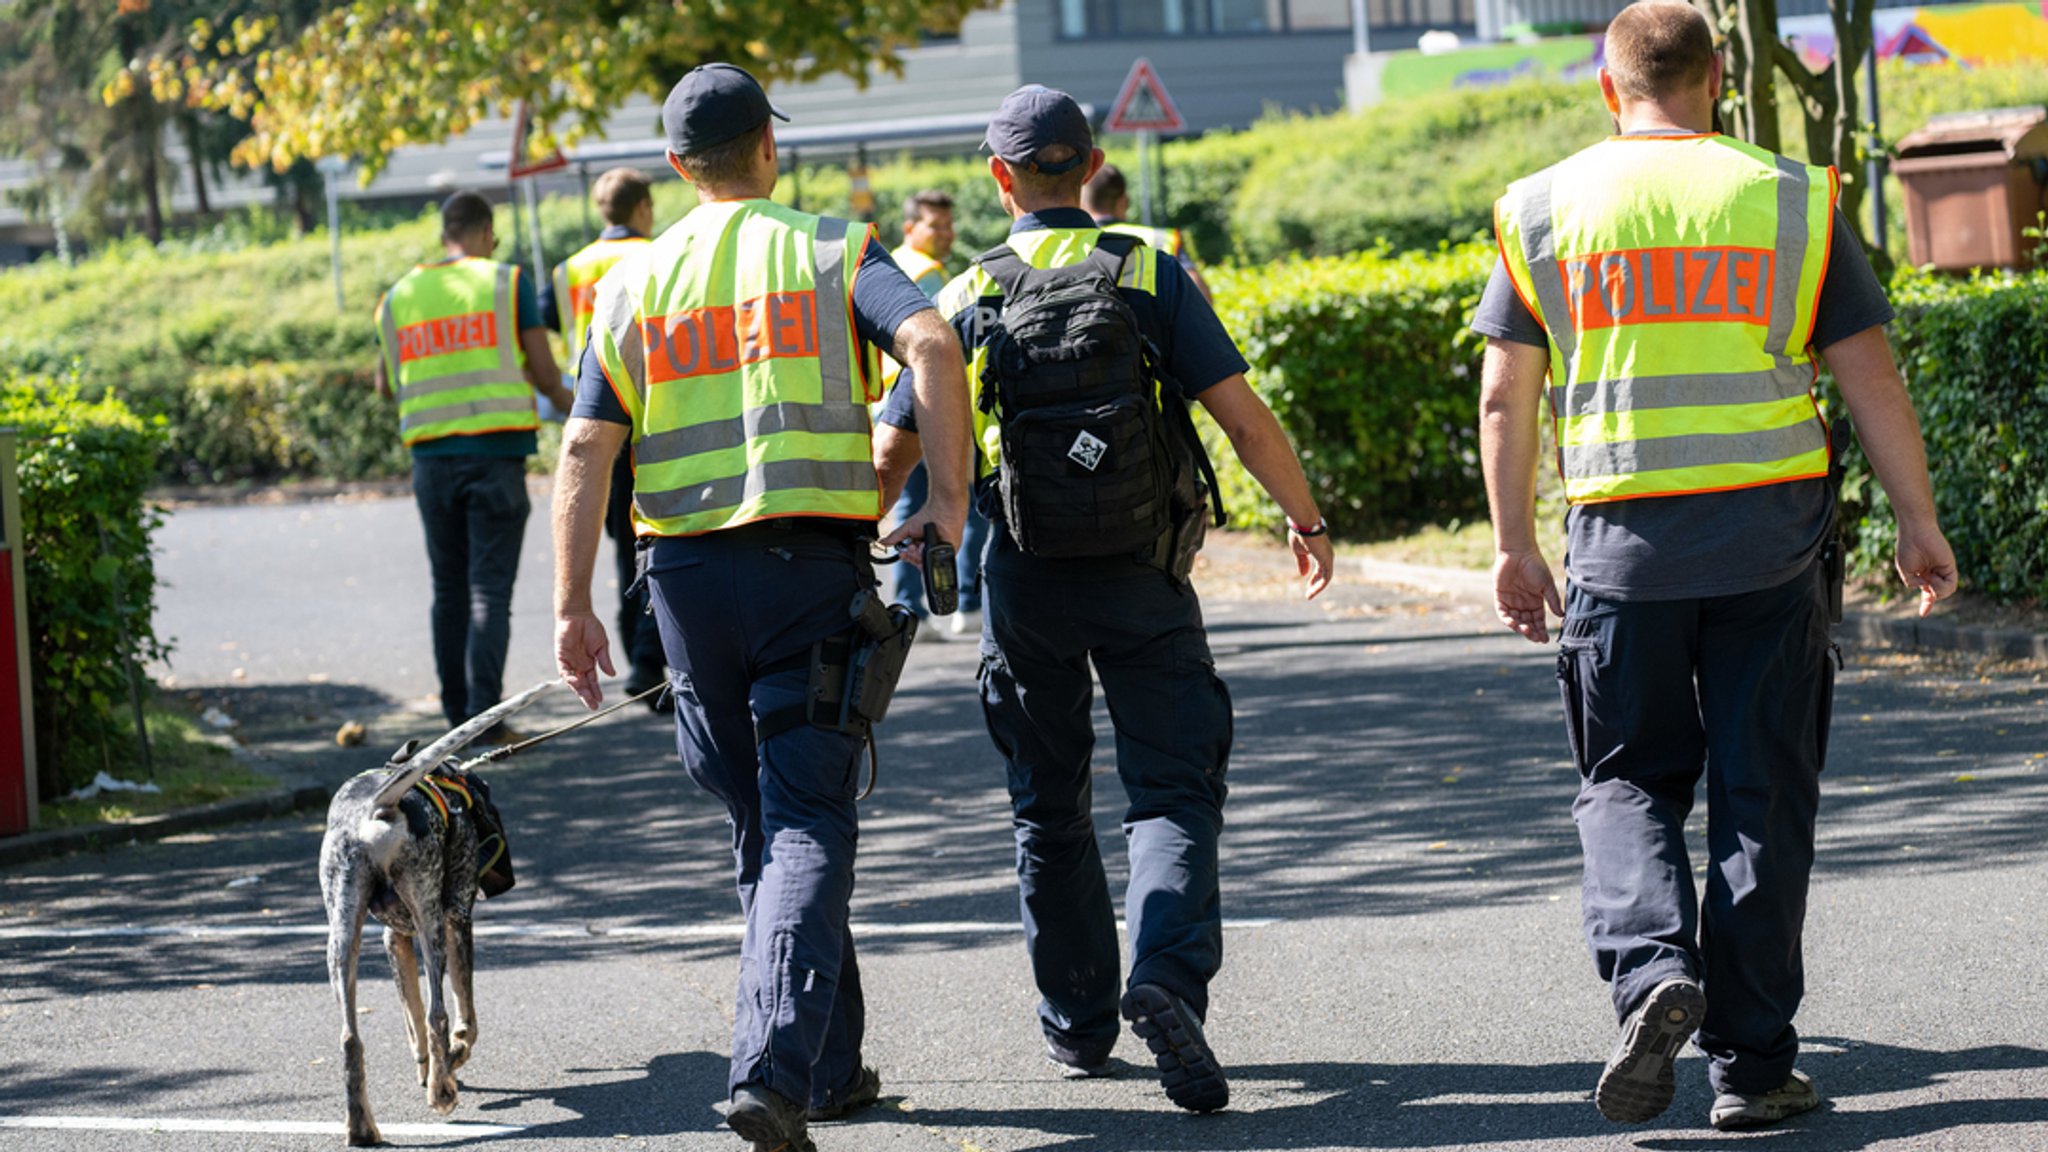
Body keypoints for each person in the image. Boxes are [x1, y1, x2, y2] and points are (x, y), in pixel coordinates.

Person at [1475, 1, 1958, 1132]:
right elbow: (1868, 377)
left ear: (1609, 88)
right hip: (1768, 549)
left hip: (1618, 552)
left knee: (1626, 779)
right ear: (1719, 78)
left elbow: (1505, 390)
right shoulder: (1790, 199)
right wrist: (1916, 519)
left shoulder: (1541, 207)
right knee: (1760, 795)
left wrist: (1511, 543)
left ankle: (1652, 978)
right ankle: (1749, 1067)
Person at [873, 84, 1334, 1113]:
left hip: (1022, 577)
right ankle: (1164, 978)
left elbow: (890, 449)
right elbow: (1243, 419)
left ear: (999, 180)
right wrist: (1303, 520)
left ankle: (1077, 1025)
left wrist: (846, 547)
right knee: (1171, 789)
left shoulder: (957, 297)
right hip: (1143, 569)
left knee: (1047, 807)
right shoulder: (1145, 270)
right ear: (1089, 164)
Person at [548, 63, 973, 1152]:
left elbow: (586, 445)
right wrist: (947, 508)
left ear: (681, 168)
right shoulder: (830, 246)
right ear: (768, 148)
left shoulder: (630, 284)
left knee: (764, 818)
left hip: (683, 588)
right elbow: (929, 343)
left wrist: (571, 606)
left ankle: (827, 1070)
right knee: (807, 817)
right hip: (801, 574)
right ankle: (773, 1071)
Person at [373, 191, 573, 740]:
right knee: (489, 591)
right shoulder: (505, 284)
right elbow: (547, 376)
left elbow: (385, 384)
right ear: (486, 232)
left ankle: (453, 718)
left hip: (431, 462)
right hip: (495, 459)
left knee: (449, 589)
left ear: (446, 233)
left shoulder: (397, 297)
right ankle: (483, 719)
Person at [546, 167, 669, 708]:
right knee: (654, 533)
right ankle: (649, 653)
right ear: (642, 207)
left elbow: (558, 327)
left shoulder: (568, 267)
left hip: (592, 413)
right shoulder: (662, 252)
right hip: (651, 413)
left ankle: (634, 647)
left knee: (620, 541)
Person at [1081, 162, 1211, 301]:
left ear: (1080, 204)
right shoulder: (1161, 239)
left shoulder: (1074, 243)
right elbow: (1201, 296)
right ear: (1125, 201)